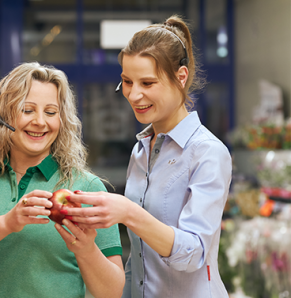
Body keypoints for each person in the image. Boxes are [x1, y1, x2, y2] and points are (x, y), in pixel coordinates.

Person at [62, 16, 232, 298]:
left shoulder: (207, 152)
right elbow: (139, 262)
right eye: (127, 82)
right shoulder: (141, 149)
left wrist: (128, 212)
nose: (134, 95)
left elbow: (194, 253)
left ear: (181, 77)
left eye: (148, 83)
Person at [0, 62, 124, 298]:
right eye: (28, 110)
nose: (40, 121)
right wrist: (7, 223)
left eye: (51, 112)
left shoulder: (86, 188)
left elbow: (113, 292)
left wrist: (86, 250)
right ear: (3, 114)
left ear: (62, 120)